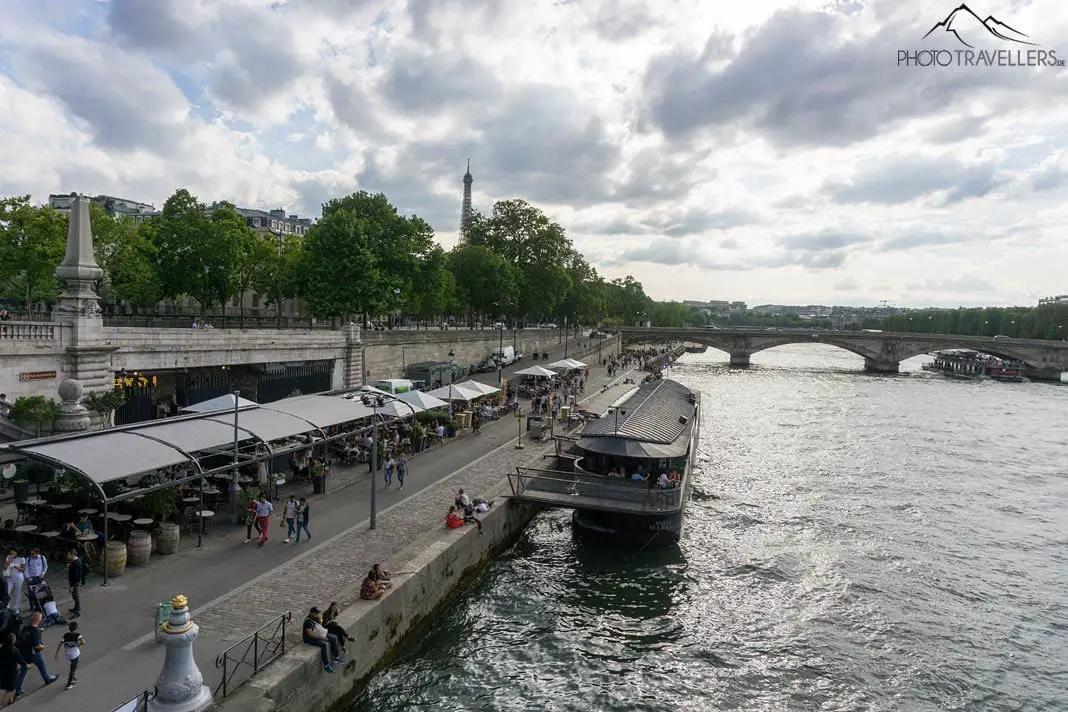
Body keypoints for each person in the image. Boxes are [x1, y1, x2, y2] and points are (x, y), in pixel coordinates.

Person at [15, 611, 57, 695]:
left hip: (24, 653)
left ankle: (18, 689)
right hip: (34, 654)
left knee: (23, 670)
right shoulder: (36, 631)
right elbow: (37, 646)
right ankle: (47, 679)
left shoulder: (25, 628)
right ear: (38, 620)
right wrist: (43, 646)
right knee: (42, 666)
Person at [302, 607, 343, 672]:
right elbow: (310, 634)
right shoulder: (308, 621)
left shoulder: (315, 618)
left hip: (318, 633)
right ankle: (326, 665)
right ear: (312, 613)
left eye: (318, 613)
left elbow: (321, 627)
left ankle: (336, 657)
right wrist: (322, 638)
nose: (317, 614)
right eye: (316, 613)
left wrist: (320, 619)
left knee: (333, 638)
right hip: (309, 638)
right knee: (323, 645)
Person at [54, 621, 84, 690]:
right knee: (73, 669)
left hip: (68, 654)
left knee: (73, 665)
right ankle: (69, 684)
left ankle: (73, 678)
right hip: (75, 654)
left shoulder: (65, 635)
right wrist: (77, 645)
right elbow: (83, 642)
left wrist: (57, 653)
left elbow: (60, 644)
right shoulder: (77, 635)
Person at [0, 634, 22, 706]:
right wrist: (27, 665)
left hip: (3, 670)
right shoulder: (15, 650)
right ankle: (2, 704)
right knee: (11, 688)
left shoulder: (1, 648)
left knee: (9, 686)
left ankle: (11, 699)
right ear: (12, 641)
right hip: (11, 671)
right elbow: (20, 660)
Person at [24, 549, 46, 613]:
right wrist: (27, 577)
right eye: (31, 554)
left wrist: (42, 574)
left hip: (39, 578)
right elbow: (26, 568)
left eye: (33, 554)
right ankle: (32, 606)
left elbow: (45, 566)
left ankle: (40, 605)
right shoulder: (28, 559)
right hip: (31, 578)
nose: (32, 555)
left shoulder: (42, 558)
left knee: (41, 592)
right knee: (31, 593)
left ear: (37, 553)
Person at [66, 549, 82, 619]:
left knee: (75, 595)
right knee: (74, 595)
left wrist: (72, 586)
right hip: (73, 581)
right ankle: (76, 607)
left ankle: (77, 609)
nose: (67, 556)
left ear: (73, 555)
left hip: (74, 582)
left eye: (68, 555)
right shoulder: (74, 561)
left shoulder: (76, 563)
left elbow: (76, 575)